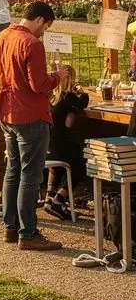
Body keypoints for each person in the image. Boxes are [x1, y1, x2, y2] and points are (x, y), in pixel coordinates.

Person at [0, 0, 62, 252]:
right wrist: (59, 77)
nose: (45, 31)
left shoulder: (0, 37)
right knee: (30, 177)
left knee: (13, 171)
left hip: (6, 113)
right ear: (40, 20)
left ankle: (11, 227)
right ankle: (28, 233)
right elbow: (39, 85)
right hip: (30, 114)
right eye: (47, 26)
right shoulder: (32, 43)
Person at [43, 64, 89, 222]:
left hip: (46, 144)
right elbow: (71, 119)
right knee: (82, 162)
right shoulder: (67, 97)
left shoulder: (50, 95)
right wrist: (80, 94)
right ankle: (59, 199)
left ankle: (49, 196)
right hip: (58, 145)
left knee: (57, 164)